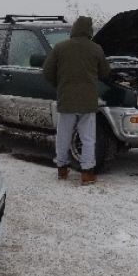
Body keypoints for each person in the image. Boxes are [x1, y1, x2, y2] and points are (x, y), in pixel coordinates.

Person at [42, 16, 111, 185]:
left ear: (74, 29)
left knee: (63, 135)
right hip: (87, 101)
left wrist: (59, 84)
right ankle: (87, 173)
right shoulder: (96, 49)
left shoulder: (60, 47)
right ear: (89, 31)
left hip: (66, 99)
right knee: (87, 138)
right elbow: (105, 73)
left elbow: (47, 71)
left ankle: (62, 168)